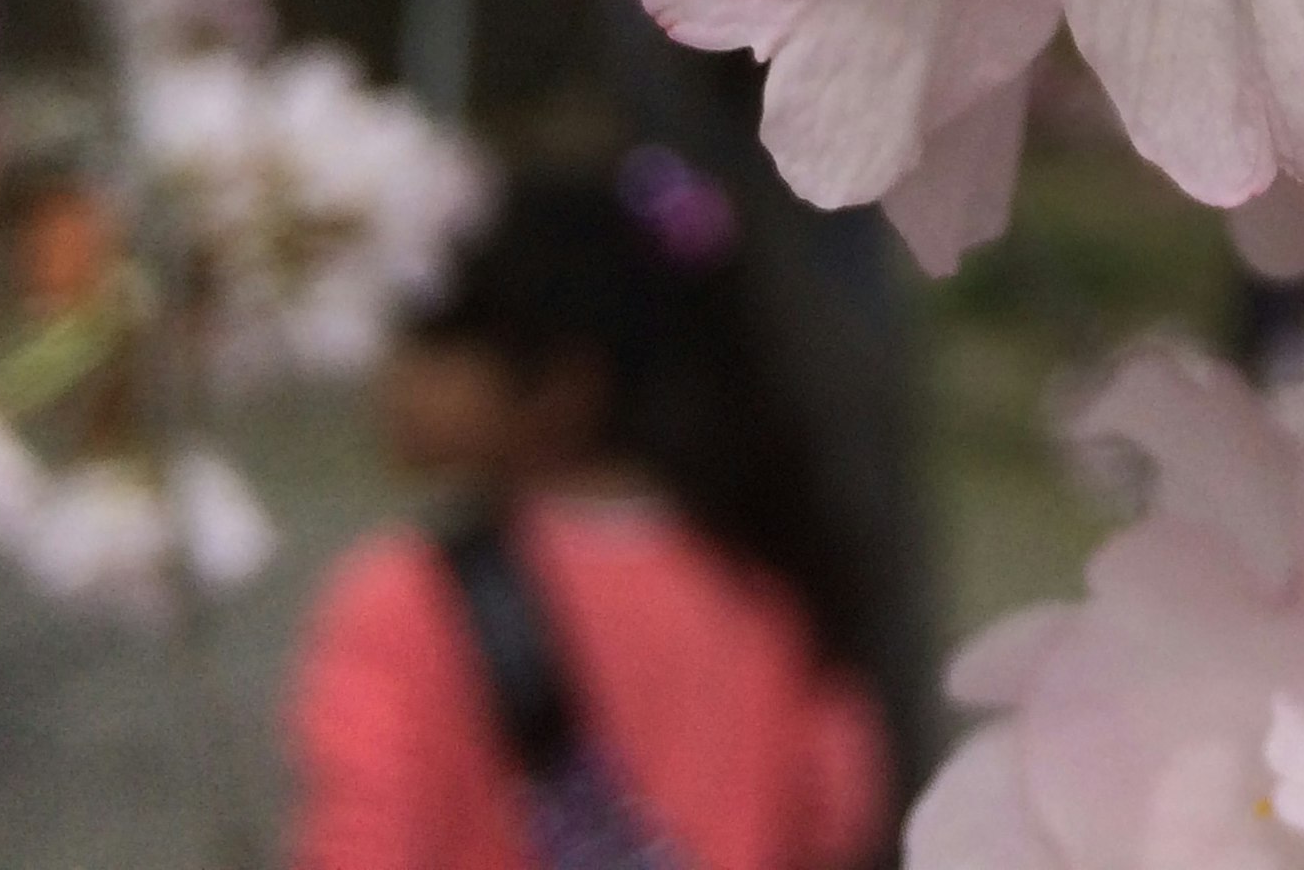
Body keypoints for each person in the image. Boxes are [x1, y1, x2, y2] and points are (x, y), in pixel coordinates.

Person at [290, 155, 890, 870]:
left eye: (441, 338)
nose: (395, 372)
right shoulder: (769, 596)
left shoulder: (405, 602)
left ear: (562, 386)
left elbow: (361, 847)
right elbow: (834, 821)